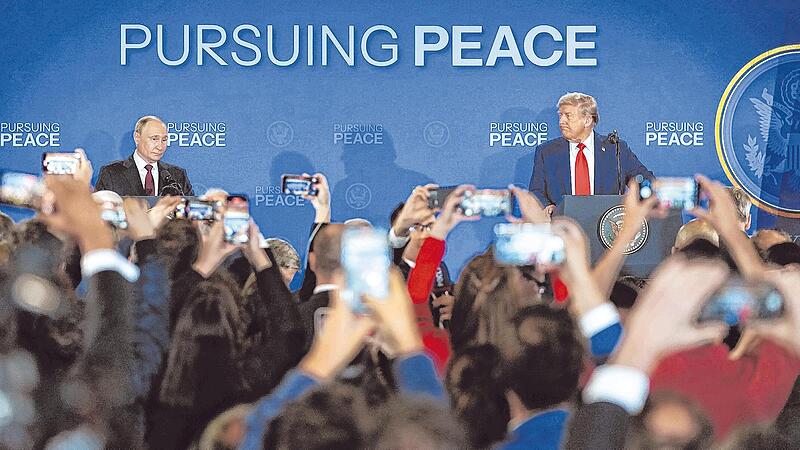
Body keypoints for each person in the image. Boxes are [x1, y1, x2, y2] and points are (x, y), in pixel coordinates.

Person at [528, 92, 652, 212]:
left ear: (587, 120)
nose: (561, 121)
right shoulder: (547, 152)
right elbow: (536, 191)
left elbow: (643, 180)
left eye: (568, 115)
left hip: (606, 226)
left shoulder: (615, 149)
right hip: (563, 226)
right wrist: (547, 206)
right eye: (560, 115)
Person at [95, 115, 194, 196]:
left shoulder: (177, 175)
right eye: (154, 139)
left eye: (164, 140)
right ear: (137, 137)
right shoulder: (111, 173)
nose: (160, 146)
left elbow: (190, 213)